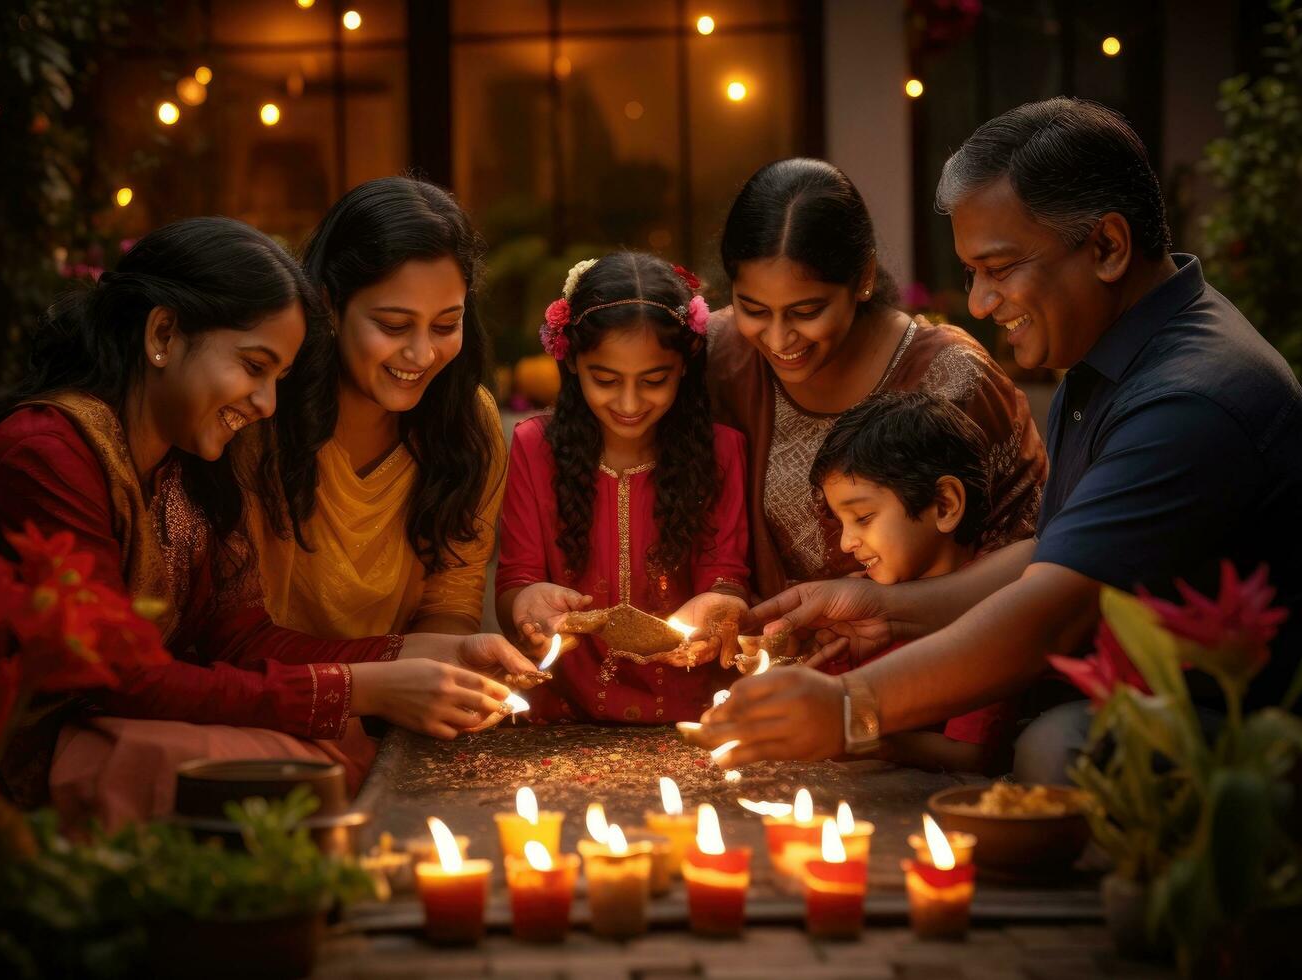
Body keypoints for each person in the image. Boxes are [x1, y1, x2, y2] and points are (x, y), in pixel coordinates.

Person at [689, 98, 1302, 778]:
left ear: (1108, 246)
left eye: (998, 269)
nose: (977, 303)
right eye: (971, 273)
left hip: (1284, 750)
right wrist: (883, 609)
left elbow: (1051, 616)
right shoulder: (1110, 359)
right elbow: (1054, 556)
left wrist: (850, 708)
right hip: (1146, 696)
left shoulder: (1189, 400)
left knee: (1058, 749)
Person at [0, 217, 533, 822]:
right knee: (294, 769)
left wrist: (422, 652)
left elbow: (239, 638)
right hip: (12, 753)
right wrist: (360, 687)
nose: (267, 404)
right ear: (163, 333)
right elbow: (117, 677)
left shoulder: (187, 460)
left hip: (116, 720)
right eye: (253, 367)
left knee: (321, 753)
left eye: (278, 378)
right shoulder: (48, 455)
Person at [706, 157, 1047, 603]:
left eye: (806, 312)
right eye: (752, 309)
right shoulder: (719, 355)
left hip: (928, 659)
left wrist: (886, 612)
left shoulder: (952, 377)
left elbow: (1036, 552)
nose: (777, 337)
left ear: (863, 278)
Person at [494, 253, 750, 724]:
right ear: (571, 361)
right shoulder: (535, 448)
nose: (629, 403)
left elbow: (726, 573)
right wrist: (526, 604)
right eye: (605, 380)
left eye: (654, 380)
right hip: (564, 714)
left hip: (694, 714)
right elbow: (516, 580)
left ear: (685, 367)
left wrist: (722, 604)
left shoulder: (722, 452)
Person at [250, 176, 506, 641]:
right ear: (329, 303)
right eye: (393, 325)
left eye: (446, 324)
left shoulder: (467, 422)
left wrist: (448, 672)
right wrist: (385, 681)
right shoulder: (261, 412)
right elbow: (234, 632)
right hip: (263, 701)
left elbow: (451, 597)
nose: (422, 354)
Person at [809, 391, 1010, 772]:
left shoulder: (994, 613)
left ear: (945, 505)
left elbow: (972, 754)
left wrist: (859, 738)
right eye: (842, 522)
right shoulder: (864, 600)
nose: (846, 542)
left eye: (864, 518)